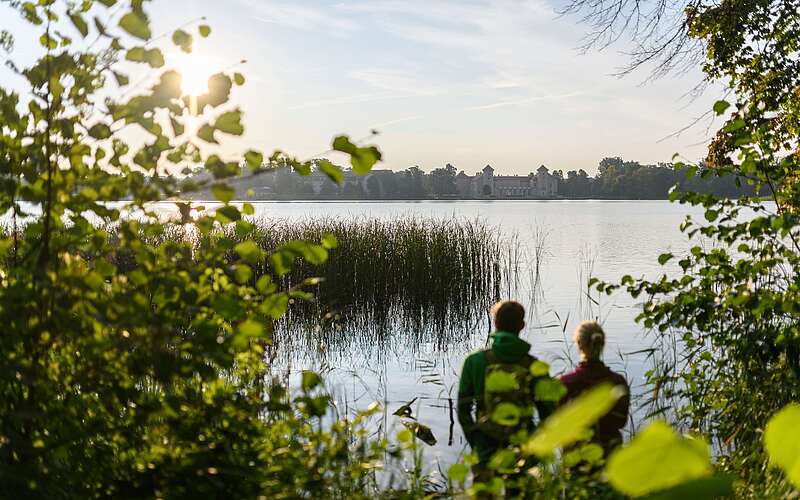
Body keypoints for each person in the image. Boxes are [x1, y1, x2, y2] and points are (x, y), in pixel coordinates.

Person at [457, 300, 554, 476]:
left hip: (485, 442)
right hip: (523, 444)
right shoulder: (535, 367)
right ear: (522, 326)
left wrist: (475, 441)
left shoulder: (475, 361)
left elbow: (463, 409)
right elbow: (547, 413)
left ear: (495, 323)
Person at [560, 320, 630, 455]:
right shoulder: (617, 382)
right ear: (602, 344)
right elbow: (621, 422)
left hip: (576, 455)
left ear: (579, 344)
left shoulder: (566, 383)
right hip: (609, 453)